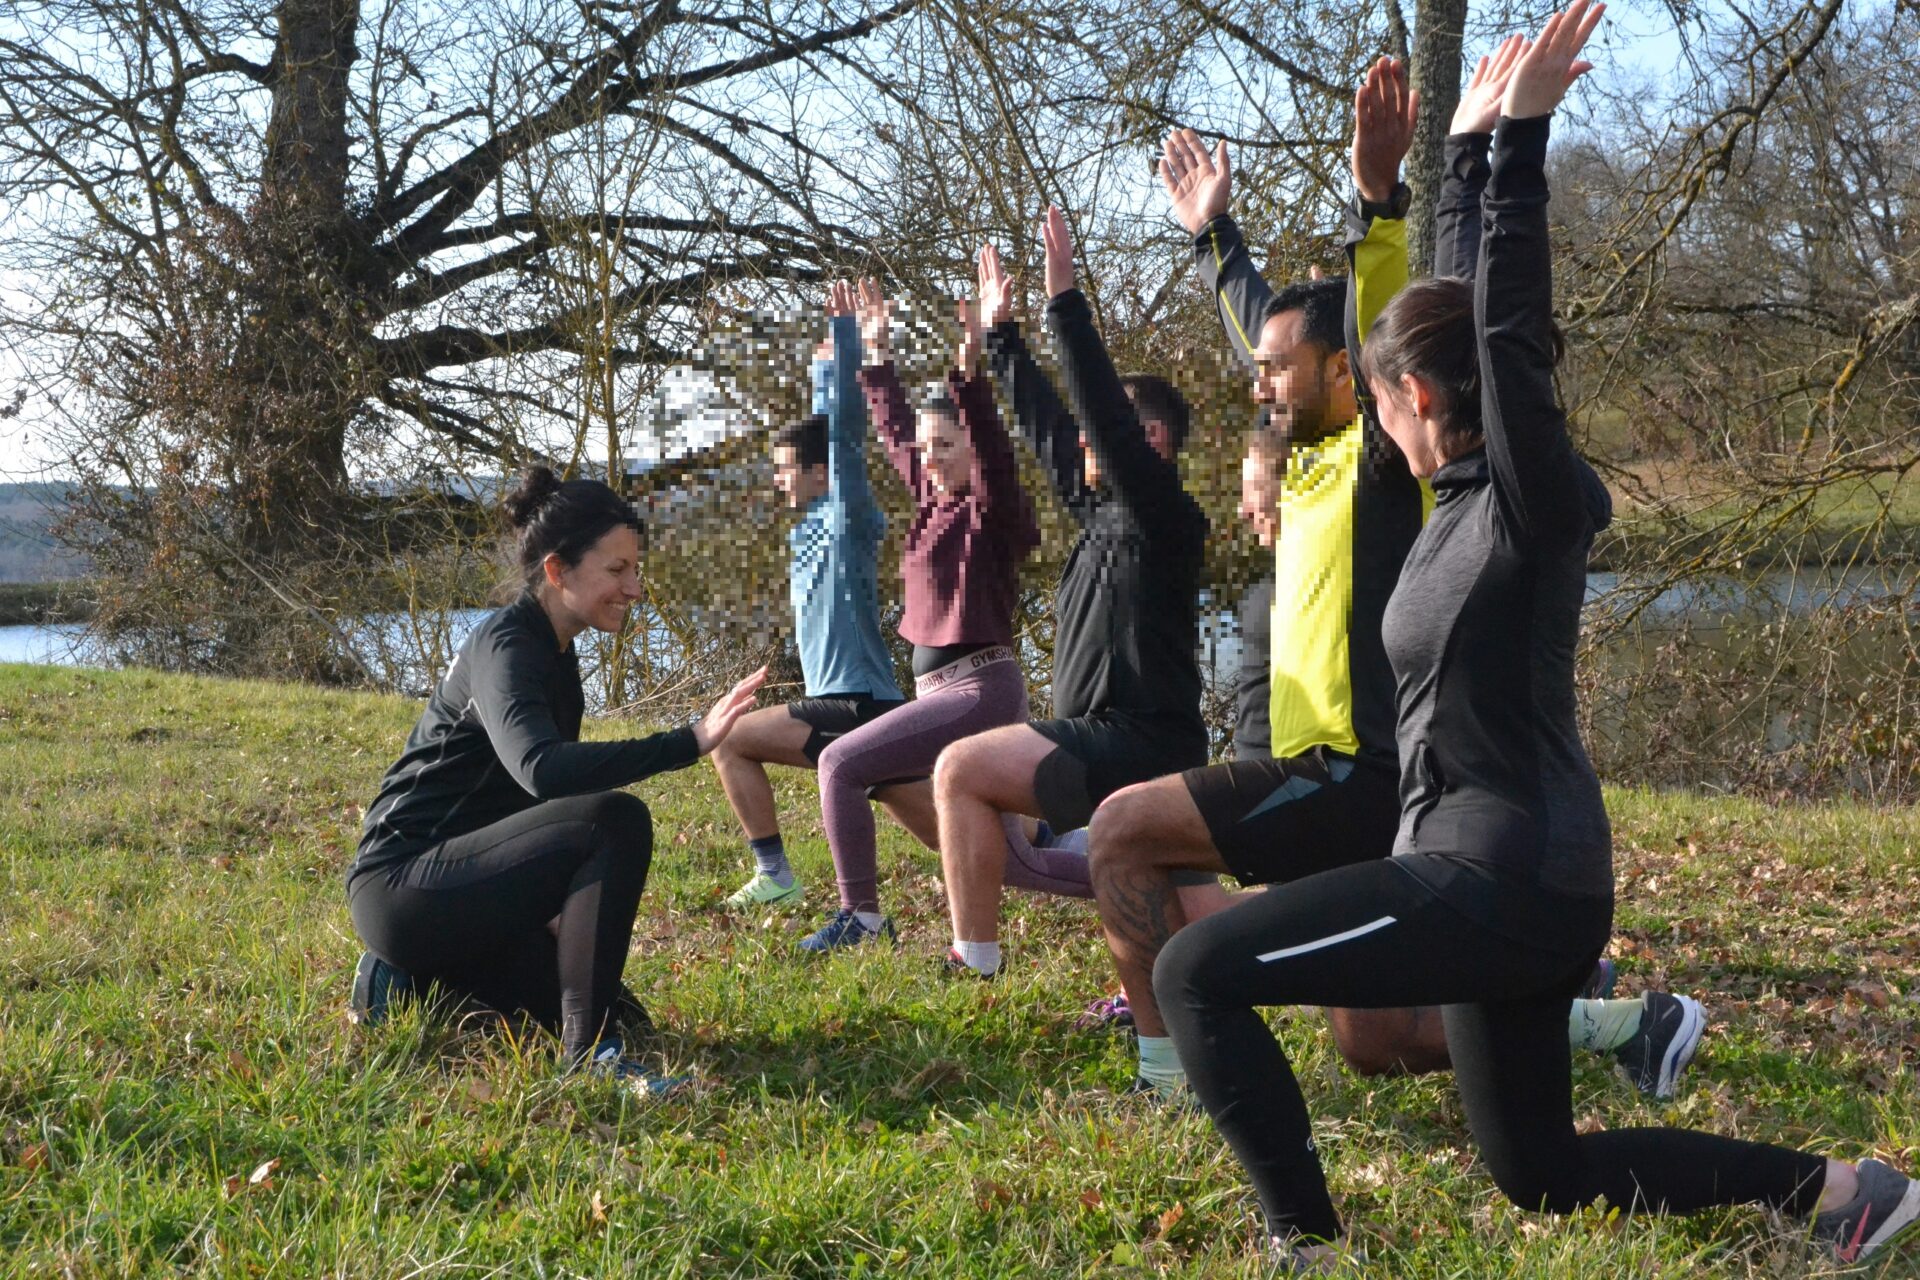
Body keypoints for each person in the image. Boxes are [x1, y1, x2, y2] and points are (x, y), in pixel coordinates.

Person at [1154, 8, 1920, 1268]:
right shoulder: (1456, 501)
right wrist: (1459, 155)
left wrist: (1519, 149)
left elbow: (1501, 338)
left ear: (1409, 400)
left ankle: (1309, 1244)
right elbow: (1457, 316)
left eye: (1388, 385)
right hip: (1509, 873)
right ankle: (1847, 1193)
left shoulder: (1528, 500)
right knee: (1540, 1171)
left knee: (1194, 969)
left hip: (1499, 870)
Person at [1086, 56, 1686, 1102]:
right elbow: (1258, 323)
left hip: (1350, 767)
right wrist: (1214, 237)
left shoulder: (1378, 459)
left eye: (1283, 367)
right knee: (1372, 1039)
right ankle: (1616, 1024)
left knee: (1124, 827)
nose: (1262, 382)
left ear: (1348, 375)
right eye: (1261, 370)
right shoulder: (1303, 454)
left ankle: (1166, 1068)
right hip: (1344, 777)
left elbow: (1388, 303)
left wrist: (1378, 197)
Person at [347, 467, 767, 1079]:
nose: (635, 588)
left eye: (636, 569)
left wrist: (546, 898)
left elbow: (524, 808)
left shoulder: (559, 656)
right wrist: (689, 741)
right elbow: (541, 770)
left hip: (466, 885)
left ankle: (407, 979)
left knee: (617, 1008)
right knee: (614, 821)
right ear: (556, 570)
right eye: (617, 570)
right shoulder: (505, 647)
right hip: (403, 886)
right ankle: (589, 1061)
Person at [932, 211, 1210, 979]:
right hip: (1128, 740)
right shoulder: (1101, 516)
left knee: (959, 769)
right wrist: (1002, 339)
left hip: (1139, 740)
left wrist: (1064, 305)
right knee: (1201, 915)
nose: (1084, 442)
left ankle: (975, 960)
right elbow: (1051, 428)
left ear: (1148, 442)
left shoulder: (1165, 517)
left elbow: (1095, 425)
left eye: (1110, 431)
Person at [796, 275, 1041, 951]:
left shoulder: (993, 512)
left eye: (947, 450)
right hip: (939, 691)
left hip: (977, 689)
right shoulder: (933, 505)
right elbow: (895, 430)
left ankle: (864, 918)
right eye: (928, 451)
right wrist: (874, 354)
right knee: (1021, 862)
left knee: (842, 764)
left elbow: (991, 451)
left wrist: (970, 374)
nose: (930, 463)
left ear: (973, 451)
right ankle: (1114, 869)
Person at [709, 289, 939, 911]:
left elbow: (839, 436)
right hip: (858, 703)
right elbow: (821, 427)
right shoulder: (807, 527)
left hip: (855, 702)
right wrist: (821, 370)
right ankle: (1056, 841)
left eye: (786, 469)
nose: (778, 479)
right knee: (946, 829)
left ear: (820, 475)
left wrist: (845, 341)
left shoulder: (846, 518)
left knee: (729, 740)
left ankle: (777, 876)